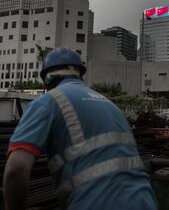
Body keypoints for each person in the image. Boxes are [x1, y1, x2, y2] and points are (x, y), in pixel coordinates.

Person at [3, 47, 157, 210]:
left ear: (46, 79)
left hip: (95, 203)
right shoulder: (111, 105)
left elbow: (17, 168)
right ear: (80, 75)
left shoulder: (47, 102)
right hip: (145, 202)